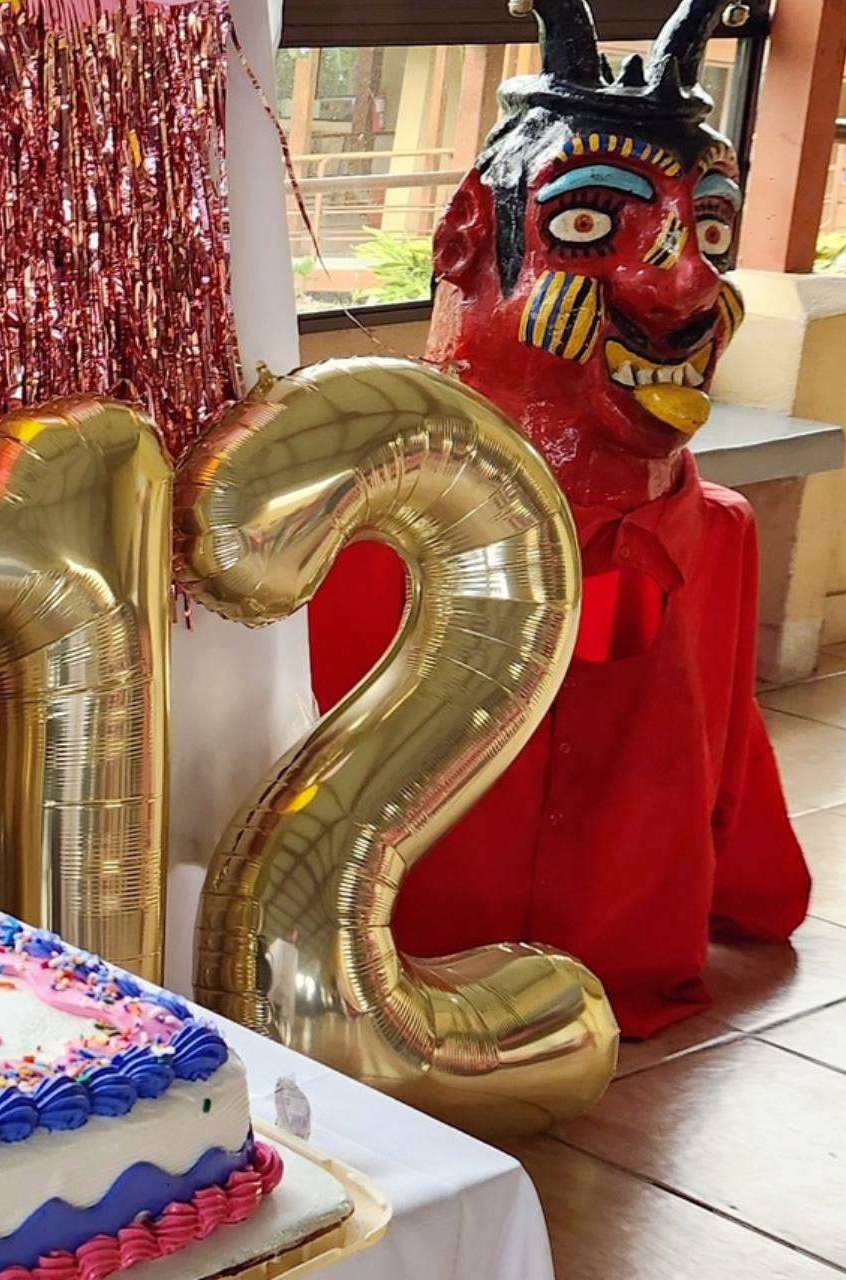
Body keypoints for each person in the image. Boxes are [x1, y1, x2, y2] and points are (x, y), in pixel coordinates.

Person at [308, 0, 808, 1038]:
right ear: (462, 241)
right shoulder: (349, 532)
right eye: (586, 224)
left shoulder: (707, 533)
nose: (683, 282)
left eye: (708, 232)